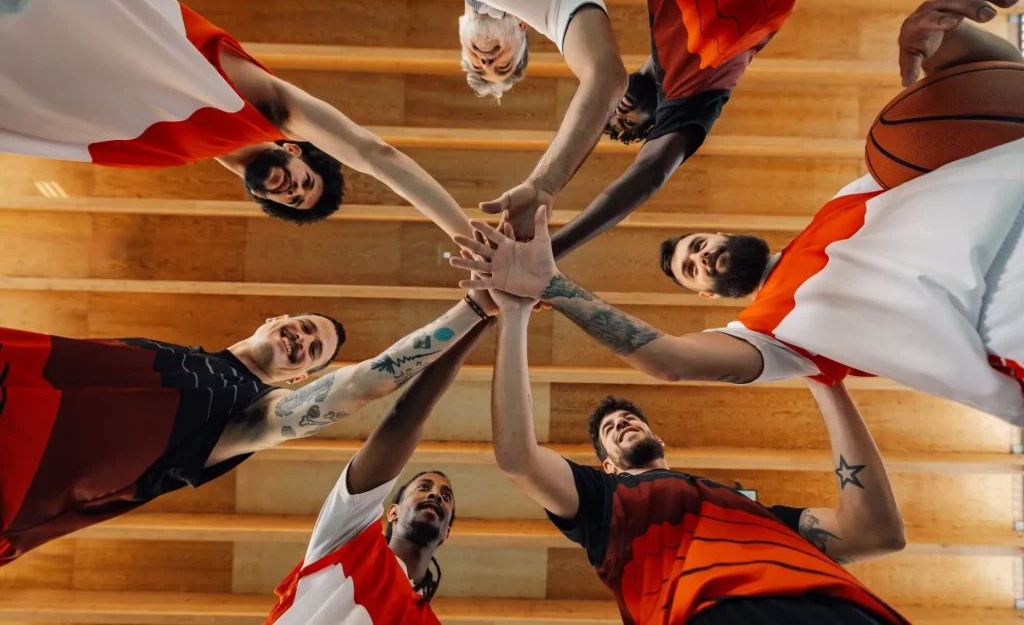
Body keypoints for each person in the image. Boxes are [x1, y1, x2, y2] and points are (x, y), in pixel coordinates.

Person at [450, 0, 1024, 426]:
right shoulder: (776, 334)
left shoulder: (853, 200)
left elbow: (989, 122)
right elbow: (668, 360)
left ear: (721, 231)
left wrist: (939, 38)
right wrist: (553, 281)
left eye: (696, 246)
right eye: (692, 271)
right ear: (709, 295)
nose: (700, 258)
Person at [485, 271, 907, 624]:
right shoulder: (602, 502)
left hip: (843, 611)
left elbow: (876, 534)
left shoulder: (755, 515)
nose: (623, 423)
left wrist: (824, 378)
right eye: (610, 430)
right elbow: (519, 459)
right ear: (608, 467)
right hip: (712, 612)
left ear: (660, 441)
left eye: (629, 419)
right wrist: (513, 314)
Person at [0, 290, 498, 566]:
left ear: (303, 376)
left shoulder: (251, 414)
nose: (302, 340)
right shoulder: (179, 355)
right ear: (274, 319)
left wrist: (473, 310)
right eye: (304, 326)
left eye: (315, 350)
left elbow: (360, 385)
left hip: (23, 469)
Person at [0, 0, 470, 230]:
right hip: (55, 1)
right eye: (303, 183)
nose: (290, 187)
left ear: (262, 197)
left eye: (289, 198)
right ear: (298, 150)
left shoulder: (171, 153)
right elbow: (376, 155)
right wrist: (465, 235)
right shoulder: (264, 109)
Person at [546, 0, 880, 258]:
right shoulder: (692, 91)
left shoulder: (660, 11)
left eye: (606, 115)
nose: (616, 112)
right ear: (655, 125)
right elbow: (649, 173)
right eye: (625, 124)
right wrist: (554, 247)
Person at [265, 308, 494, 624]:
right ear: (393, 511)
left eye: (446, 497)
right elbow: (405, 417)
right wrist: (484, 317)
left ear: (447, 533)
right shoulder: (350, 539)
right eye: (424, 488)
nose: (437, 497)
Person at [389, 0, 628, 240]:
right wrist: (544, 184)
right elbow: (606, 76)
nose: (486, 61)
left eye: (477, 66)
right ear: (523, 27)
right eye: (502, 67)